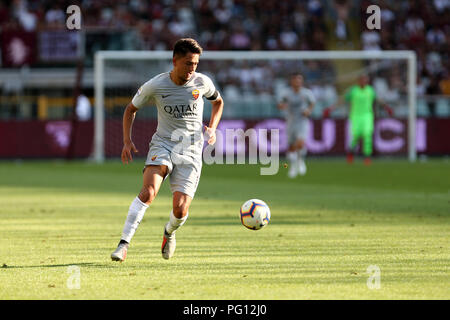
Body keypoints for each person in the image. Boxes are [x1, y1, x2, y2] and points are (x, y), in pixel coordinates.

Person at [111, 38, 224, 261]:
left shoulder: (202, 82)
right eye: (188, 63)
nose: (192, 68)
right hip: (163, 143)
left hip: (191, 150)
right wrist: (126, 141)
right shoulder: (156, 85)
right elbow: (130, 110)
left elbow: (218, 102)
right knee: (148, 192)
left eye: (196, 64)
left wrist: (212, 128)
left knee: (181, 209)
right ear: (175, 61)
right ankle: (123, 244)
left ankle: (169, 232)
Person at [323, 74, 392, 165]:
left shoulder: (370, 90)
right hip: (355, 116)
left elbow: (378, 100)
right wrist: (331, 109)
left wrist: (387, 108)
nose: (364, 82)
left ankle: (367, 157)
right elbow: (342, 100)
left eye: (366, 80)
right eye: (363, 80)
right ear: (359, 81)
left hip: (367, 115)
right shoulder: (353, 91)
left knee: (367, 135)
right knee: (356, 136)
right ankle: (351, 152)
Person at [277, 73, 315, 178]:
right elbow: (280, 103)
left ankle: (300, 160)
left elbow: (312, 103)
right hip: (290, 121)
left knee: (300, 143)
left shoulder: (306, 93)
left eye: (299, 80)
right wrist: (281, 106)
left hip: (302, 121)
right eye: (296, 80)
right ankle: (293, 166)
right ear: (292, 81)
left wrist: (308, 110)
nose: (298, 82)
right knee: (291, 147)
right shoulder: (287, 93)